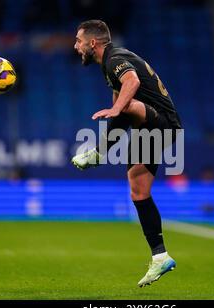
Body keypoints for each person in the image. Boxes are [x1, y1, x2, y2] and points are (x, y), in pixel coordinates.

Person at [71, 20, 182, 287]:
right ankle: (160, 256)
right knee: (138, 189)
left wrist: (117, 109)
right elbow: (120, 117)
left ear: (93, 43)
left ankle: (98, 154)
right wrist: (115, 116)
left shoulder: (115, 58)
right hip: (148, 129)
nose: (76, 46)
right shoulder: (108, 68)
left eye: (78, 41)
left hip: (162, 122)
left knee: (123, 105)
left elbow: (131, 81)